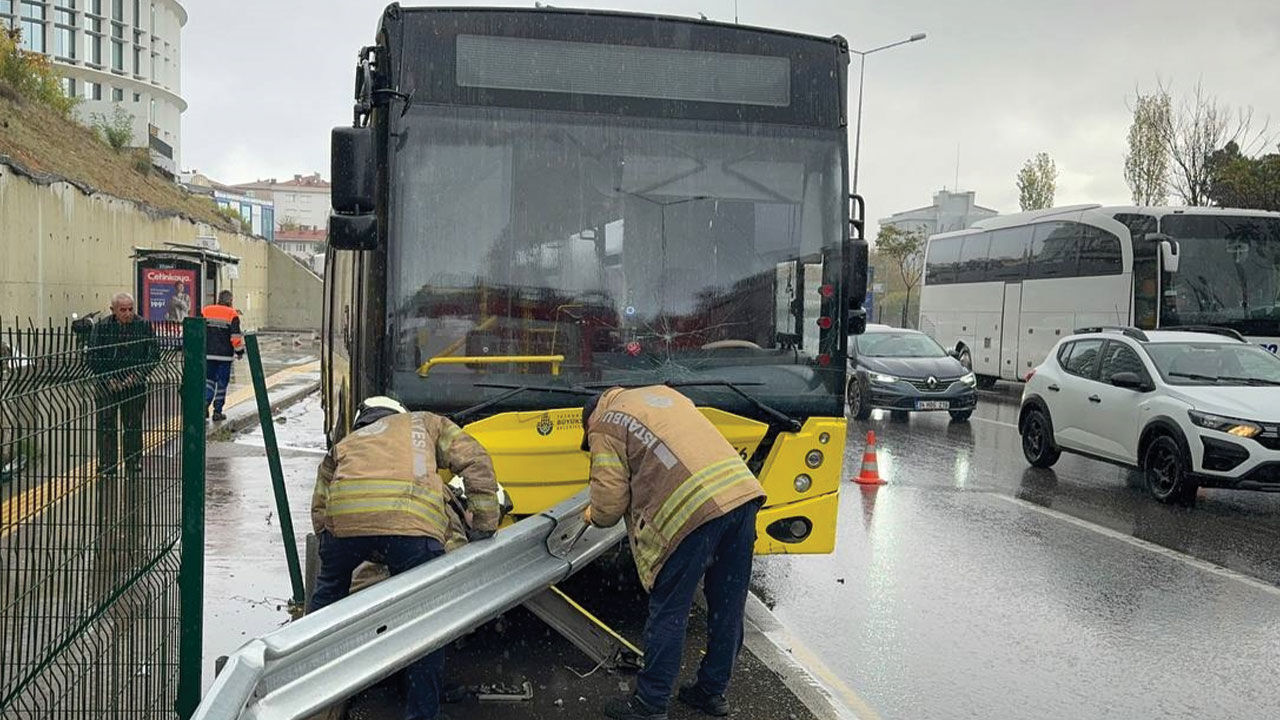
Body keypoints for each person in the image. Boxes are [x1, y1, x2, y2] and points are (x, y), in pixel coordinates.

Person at [309, 396, 501, 720]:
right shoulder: (425, 423)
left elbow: (319, 509)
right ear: (400, 413)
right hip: (411, 529)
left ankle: (305, 687)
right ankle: (421, 713)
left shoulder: (347, 442)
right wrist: (484, 523)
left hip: (346, 527)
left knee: (326, 609)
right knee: (425, 620)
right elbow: (475, 459)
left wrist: (335, 551)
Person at [581, 386, 766, 720]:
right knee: (728, 603)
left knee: (670, 609)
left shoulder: (604, 424)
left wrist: (591, 514)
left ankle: (650, 704)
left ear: (589, 419)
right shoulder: (666, 396)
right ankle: (711, 693)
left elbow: (607, 508)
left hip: (694, 511)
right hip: (742, 495)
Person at [86, 292, 159, 479]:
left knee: (133, 424)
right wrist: (109, 378)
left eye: (130, 309)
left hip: (134, 383)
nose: (127, 313)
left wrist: (137, 375)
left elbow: (153, 355)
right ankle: (108, 464)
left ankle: (133, 460)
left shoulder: (142, 325)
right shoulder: (102, 327)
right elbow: (93, 357)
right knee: (106, 424)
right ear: (113, 310)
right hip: (107, 383)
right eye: (123, 310)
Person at [200, 290, 244, 421]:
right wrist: (239, 351)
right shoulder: (232, 314)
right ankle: (217, 411)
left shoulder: (206, 311)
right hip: (225, 356)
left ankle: (204, 404)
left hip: (207, 354)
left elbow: (199, 330)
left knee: (209, 381)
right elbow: (235, 337)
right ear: (230, 301)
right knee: (222, 383)